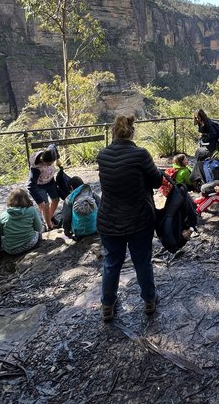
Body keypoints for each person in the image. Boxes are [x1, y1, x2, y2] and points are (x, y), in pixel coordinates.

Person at [97, 115, 163, 322]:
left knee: (111, 262)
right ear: (131, 132)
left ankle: (107, 305)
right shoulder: (140, 154)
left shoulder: (103, 155)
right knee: (142, 261)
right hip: (139, 218)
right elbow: (156, 181)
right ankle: (149, 301)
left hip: (108, 218)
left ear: (114, 133)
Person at [0, 188, 43, 255]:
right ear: (26, 199)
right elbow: (39, 228)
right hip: (30, 243)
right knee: (40, 230)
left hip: (11, 250)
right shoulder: (31, 210)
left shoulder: (4, 214)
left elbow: (2, 233)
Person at [27, 148, 60, 232]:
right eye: (48, 163)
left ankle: (49, 217)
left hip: (50, 182)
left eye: (52, 163)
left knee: (56, 199)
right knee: (45, 205)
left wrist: (58, 160)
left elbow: (53, 146)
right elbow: (30, 186)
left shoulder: (51, 152)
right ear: (42, 161)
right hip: (39, 186)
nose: (50, 164)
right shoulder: (35, 168)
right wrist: (39, 201)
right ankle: (49, 226)